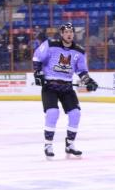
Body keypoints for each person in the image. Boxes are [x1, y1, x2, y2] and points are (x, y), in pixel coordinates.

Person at [32, 23, 98, 159]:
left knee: (75, 114)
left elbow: (81, 71)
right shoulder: (50, 44)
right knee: (52, 113)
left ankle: (70, 144)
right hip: (50, 86)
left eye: (71, 32)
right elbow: (37, 56)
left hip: (67, 87)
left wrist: (88, 81)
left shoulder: (79, 51)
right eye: (66, 32)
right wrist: (37, 72)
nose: (69, 34)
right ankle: (48, 145)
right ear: (61, 34)